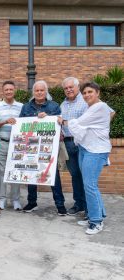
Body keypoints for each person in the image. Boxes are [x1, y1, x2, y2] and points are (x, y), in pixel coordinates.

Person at [58, 82, 112, 235]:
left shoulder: (100, 107)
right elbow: (80, 126)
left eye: (90, 92)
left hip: (95, 151)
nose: (87, 95)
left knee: (90, 186)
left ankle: (96, 222)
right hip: (85, 148)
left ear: (98, 93)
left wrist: (64, 121)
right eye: (85, 93)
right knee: (89, 184)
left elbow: (79, 122)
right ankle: (97, 216)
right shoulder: (90, 107)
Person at [19, 80, 67, 215]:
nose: (39, 93)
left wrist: (48, 118)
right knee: (31, 174)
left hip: (49, 147)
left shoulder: (54, 106)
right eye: (36, 90)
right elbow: (22, 126)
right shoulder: (26, 107)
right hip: (31, 147)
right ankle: (32, 202)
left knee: (53, 175)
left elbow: (59, 123)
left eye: (42, 90)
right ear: (33, 92)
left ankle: (60, 204)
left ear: (46, 92)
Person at [0, 81, 23, 210]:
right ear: (3, 91)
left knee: (16, 171)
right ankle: (2, 199)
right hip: (2, 142)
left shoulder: (21, 106)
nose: (9, 92)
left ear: (14, 90)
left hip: (17, 144)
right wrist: (5, 121)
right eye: (6, 90)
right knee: (1, 172)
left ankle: (15, 199)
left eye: (11, 89)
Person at [60, 77, 87, 215]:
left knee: (86, 175)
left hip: (82, 143)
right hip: (68, 143)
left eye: (71, 87)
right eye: (66, 88)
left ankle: (89, 207)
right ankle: (79, 204)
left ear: (78, 87)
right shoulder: (63, 104)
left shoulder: (86, 101)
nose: (69, 90)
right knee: (75, 174)